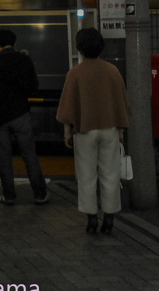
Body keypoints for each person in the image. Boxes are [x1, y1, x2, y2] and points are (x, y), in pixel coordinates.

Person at [55, 27, 131, 235]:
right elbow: (121, 104)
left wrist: (67, 133)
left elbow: (68, 108)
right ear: (101, 48)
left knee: (87, 176)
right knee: (110, 174)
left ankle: (91, 219)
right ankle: (109, 217)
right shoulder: (112, 71)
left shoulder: (75, 73)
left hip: (85, 131)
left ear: (79, 50)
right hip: (110, 130)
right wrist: (121, 132)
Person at [0, 28, 49, 206]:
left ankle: (9, 196)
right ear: (14, 42)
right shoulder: (24, 60)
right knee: (29, 154)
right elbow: (33, 86)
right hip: (20, 113)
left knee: (4, 157)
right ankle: (40, 194)